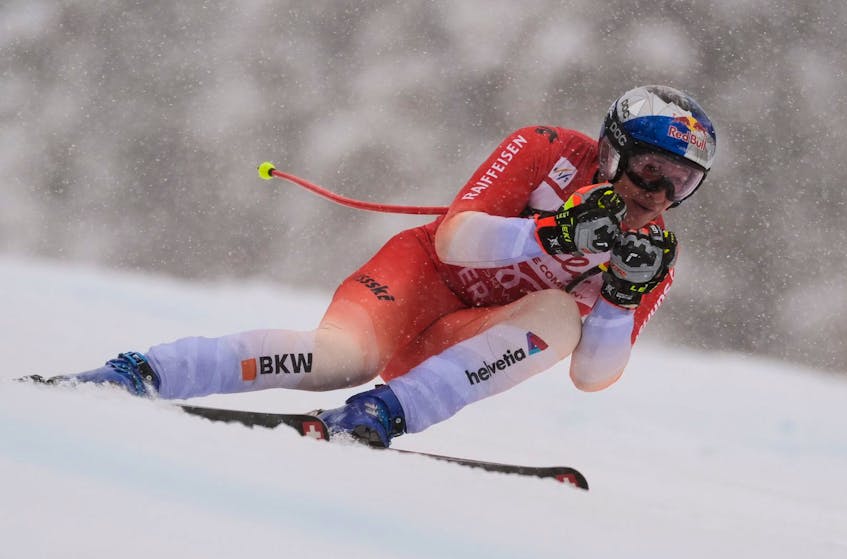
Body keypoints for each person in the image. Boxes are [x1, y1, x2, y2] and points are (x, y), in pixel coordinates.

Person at [36, 85, 717, 448]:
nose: (653, 196)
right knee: (338, 356)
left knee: (562, 320)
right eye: (647, 169)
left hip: (462, 342)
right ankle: (145, 371)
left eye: (678, 184)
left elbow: (593, 375)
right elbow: (456, 240)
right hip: (419, 283)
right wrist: (554, 232)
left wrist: (624, 294)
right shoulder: (547, 150)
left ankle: (383, 414)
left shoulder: (654, 251)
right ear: (610, 149)